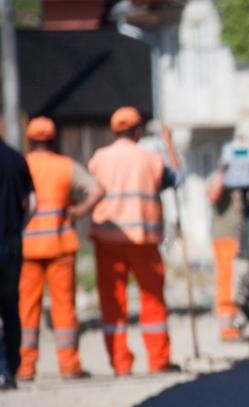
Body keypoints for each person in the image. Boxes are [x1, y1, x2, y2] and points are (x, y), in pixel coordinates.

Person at [87, 107, 182, 375]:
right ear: (138, 131)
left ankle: (120, 363)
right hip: (143, 241)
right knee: (152, 300)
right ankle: (159, 360)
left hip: (107, 240)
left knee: (112, 302)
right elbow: (177, 179)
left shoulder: (99, 158)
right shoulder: (151, 158)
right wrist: (169, 144)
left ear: (114, 131)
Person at [17, 117, 105, 381]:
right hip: (60, 245)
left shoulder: (22, 166)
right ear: (53, 140)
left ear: (30, 140)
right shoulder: (65, 166)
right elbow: (98, 190)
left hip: (28, 246)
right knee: (64, 306)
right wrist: (78, 211)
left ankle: (25, 366)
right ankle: (69, 365)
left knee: (27, 307)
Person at [205, 136, 249, 340]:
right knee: (228, 283)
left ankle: (243, 323)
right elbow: (211, 195)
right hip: (226, 238)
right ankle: (228, 328)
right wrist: (225, 170)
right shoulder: (220, 175)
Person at [0, 133, 35, 390]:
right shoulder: (16, 159)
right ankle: (12, 368)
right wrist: (20, 225)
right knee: (11, 307)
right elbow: (33, 202)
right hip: (12, 242)